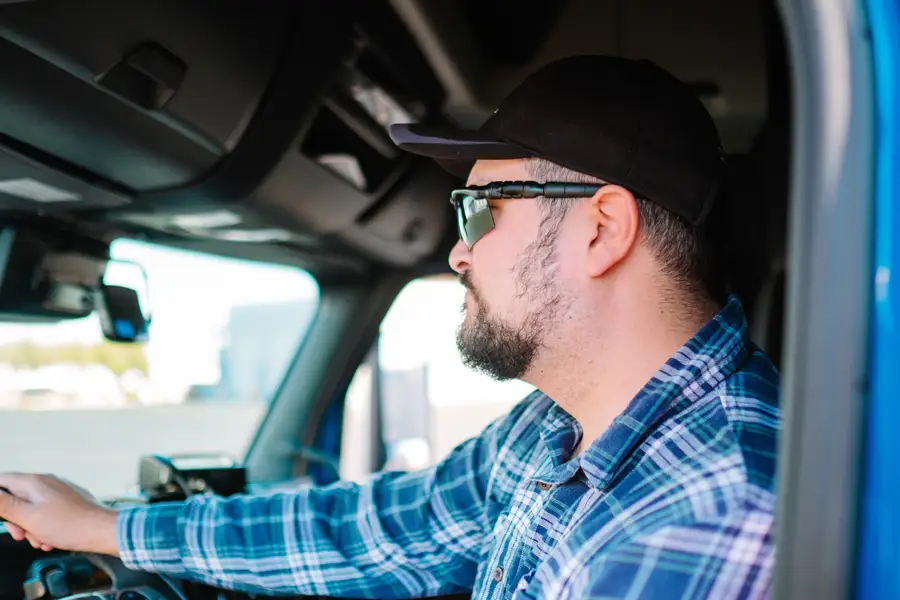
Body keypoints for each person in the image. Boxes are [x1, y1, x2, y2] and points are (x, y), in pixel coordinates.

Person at [0, 55, 780, 599]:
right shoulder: (556, 428)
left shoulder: (708, 518)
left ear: (603, 230)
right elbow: (376, 531)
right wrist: (109, 527)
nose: (459, 251)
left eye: (483, 211)